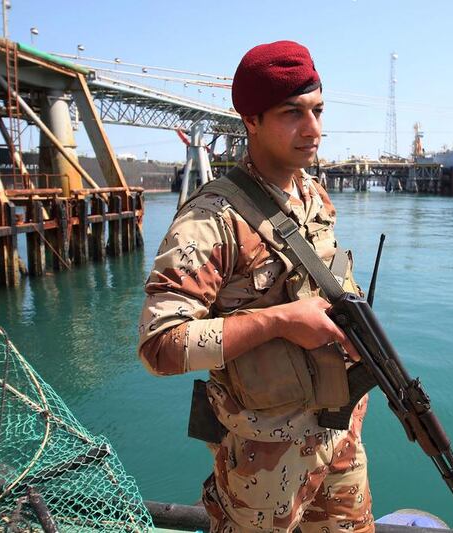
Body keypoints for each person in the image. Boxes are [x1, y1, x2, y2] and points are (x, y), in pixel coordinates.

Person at [137, 40, 373, 533]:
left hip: (338, 430)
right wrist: (282, 321)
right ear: (251, 121)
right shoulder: (210, 220)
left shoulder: (311, 194)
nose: (313, 130)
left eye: (318, 110)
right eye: (292, 113)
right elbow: (160, 347)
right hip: (264, 467)